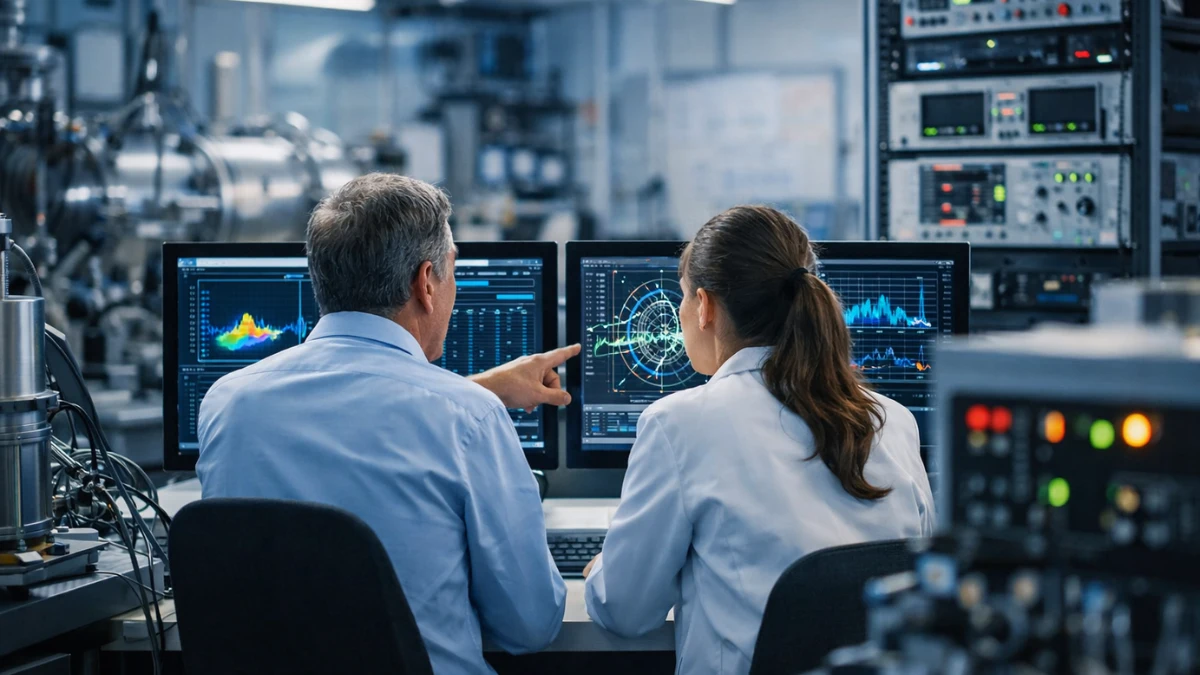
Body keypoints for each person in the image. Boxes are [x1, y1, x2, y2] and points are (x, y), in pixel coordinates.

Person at [197, 173, 575, 675]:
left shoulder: (227, 404)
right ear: (426, 282)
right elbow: (530, 626)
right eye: (453, 270)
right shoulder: (468, 417)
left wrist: (476, 392)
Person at [583, 205, 936, 675]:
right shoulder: (893, 420)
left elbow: (626, 613)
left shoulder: (679, 424)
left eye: (682, 297)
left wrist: (601, 572)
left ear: (705, 307)